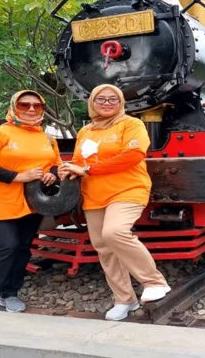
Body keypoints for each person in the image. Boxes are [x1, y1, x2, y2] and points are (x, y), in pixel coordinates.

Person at [59, 84, 170, 321]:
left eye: (113, 99)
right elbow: (78, 160)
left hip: (127, 189)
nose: (107, 103)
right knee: (104, 248)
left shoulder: (132, 124)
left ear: (121, 103)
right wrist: (66, 170)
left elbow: (133, 155)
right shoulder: (86, 131)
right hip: (94, 195)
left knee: (115, 232)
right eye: (101, 99)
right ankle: (124, 299)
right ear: (92, 102)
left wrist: (87, 169)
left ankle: (154, 281)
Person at [0, 90, 61, 312]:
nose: (31, 109)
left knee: (22, 248)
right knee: (6, 245)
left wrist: (53, 174)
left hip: (32, 202)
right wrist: (18, 177)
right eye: (24, 105)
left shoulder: (47, 138)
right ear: (13, 107)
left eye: (36, 106)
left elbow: (55, 164)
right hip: (0, 200)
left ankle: (9, 293)